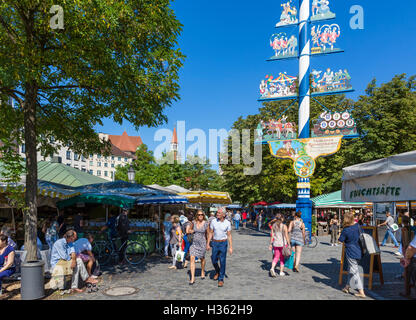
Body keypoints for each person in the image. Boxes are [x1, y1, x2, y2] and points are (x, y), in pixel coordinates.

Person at [338, 211, 366, 298]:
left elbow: (340, 240)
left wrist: (340, 234)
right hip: (360, 250)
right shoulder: (358, 226)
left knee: (354, 271)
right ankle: (347, 287)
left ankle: (361, 291)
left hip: (351, 252)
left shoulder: (346, 230)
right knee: (351, 269)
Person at [207, 208, 233, 287]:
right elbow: (211, 233)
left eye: (219, 213)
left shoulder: (227, 223)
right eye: (217, 212)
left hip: (223, 243)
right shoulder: (213, 221)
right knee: (214, 259)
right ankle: (218, 271)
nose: (217, 214)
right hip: (214, 243)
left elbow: (229, 235)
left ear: (224, 215)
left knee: (222, 261)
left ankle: (221, 279)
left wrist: (231, 247)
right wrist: (208, 243)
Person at [189, 210, 209, 285]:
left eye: (202, 215)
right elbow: (189, 230)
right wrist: (191, 231)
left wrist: (208, 244)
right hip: (194, 243)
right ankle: (192, 278)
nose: (200, 216)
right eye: (199, 215)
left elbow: (208, 234)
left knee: (202, 258)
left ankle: (202, 271)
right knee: (192, 258)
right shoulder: (193, 222)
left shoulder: (206, 223)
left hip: (202, 243)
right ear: (196, 215)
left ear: (203, 215)